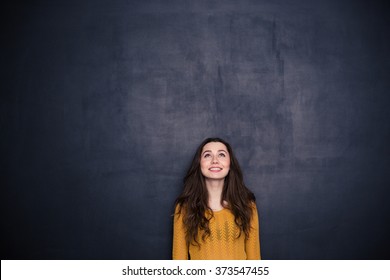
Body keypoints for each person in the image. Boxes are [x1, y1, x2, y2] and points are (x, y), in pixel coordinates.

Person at [172, 137, 261, 260]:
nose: (215, 160)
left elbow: (254, 259)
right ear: (199, 163)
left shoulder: (247, 205)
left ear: (230, 163)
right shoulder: (184, 208)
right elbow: (178, 262)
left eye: (221, 155)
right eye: (207, 155)